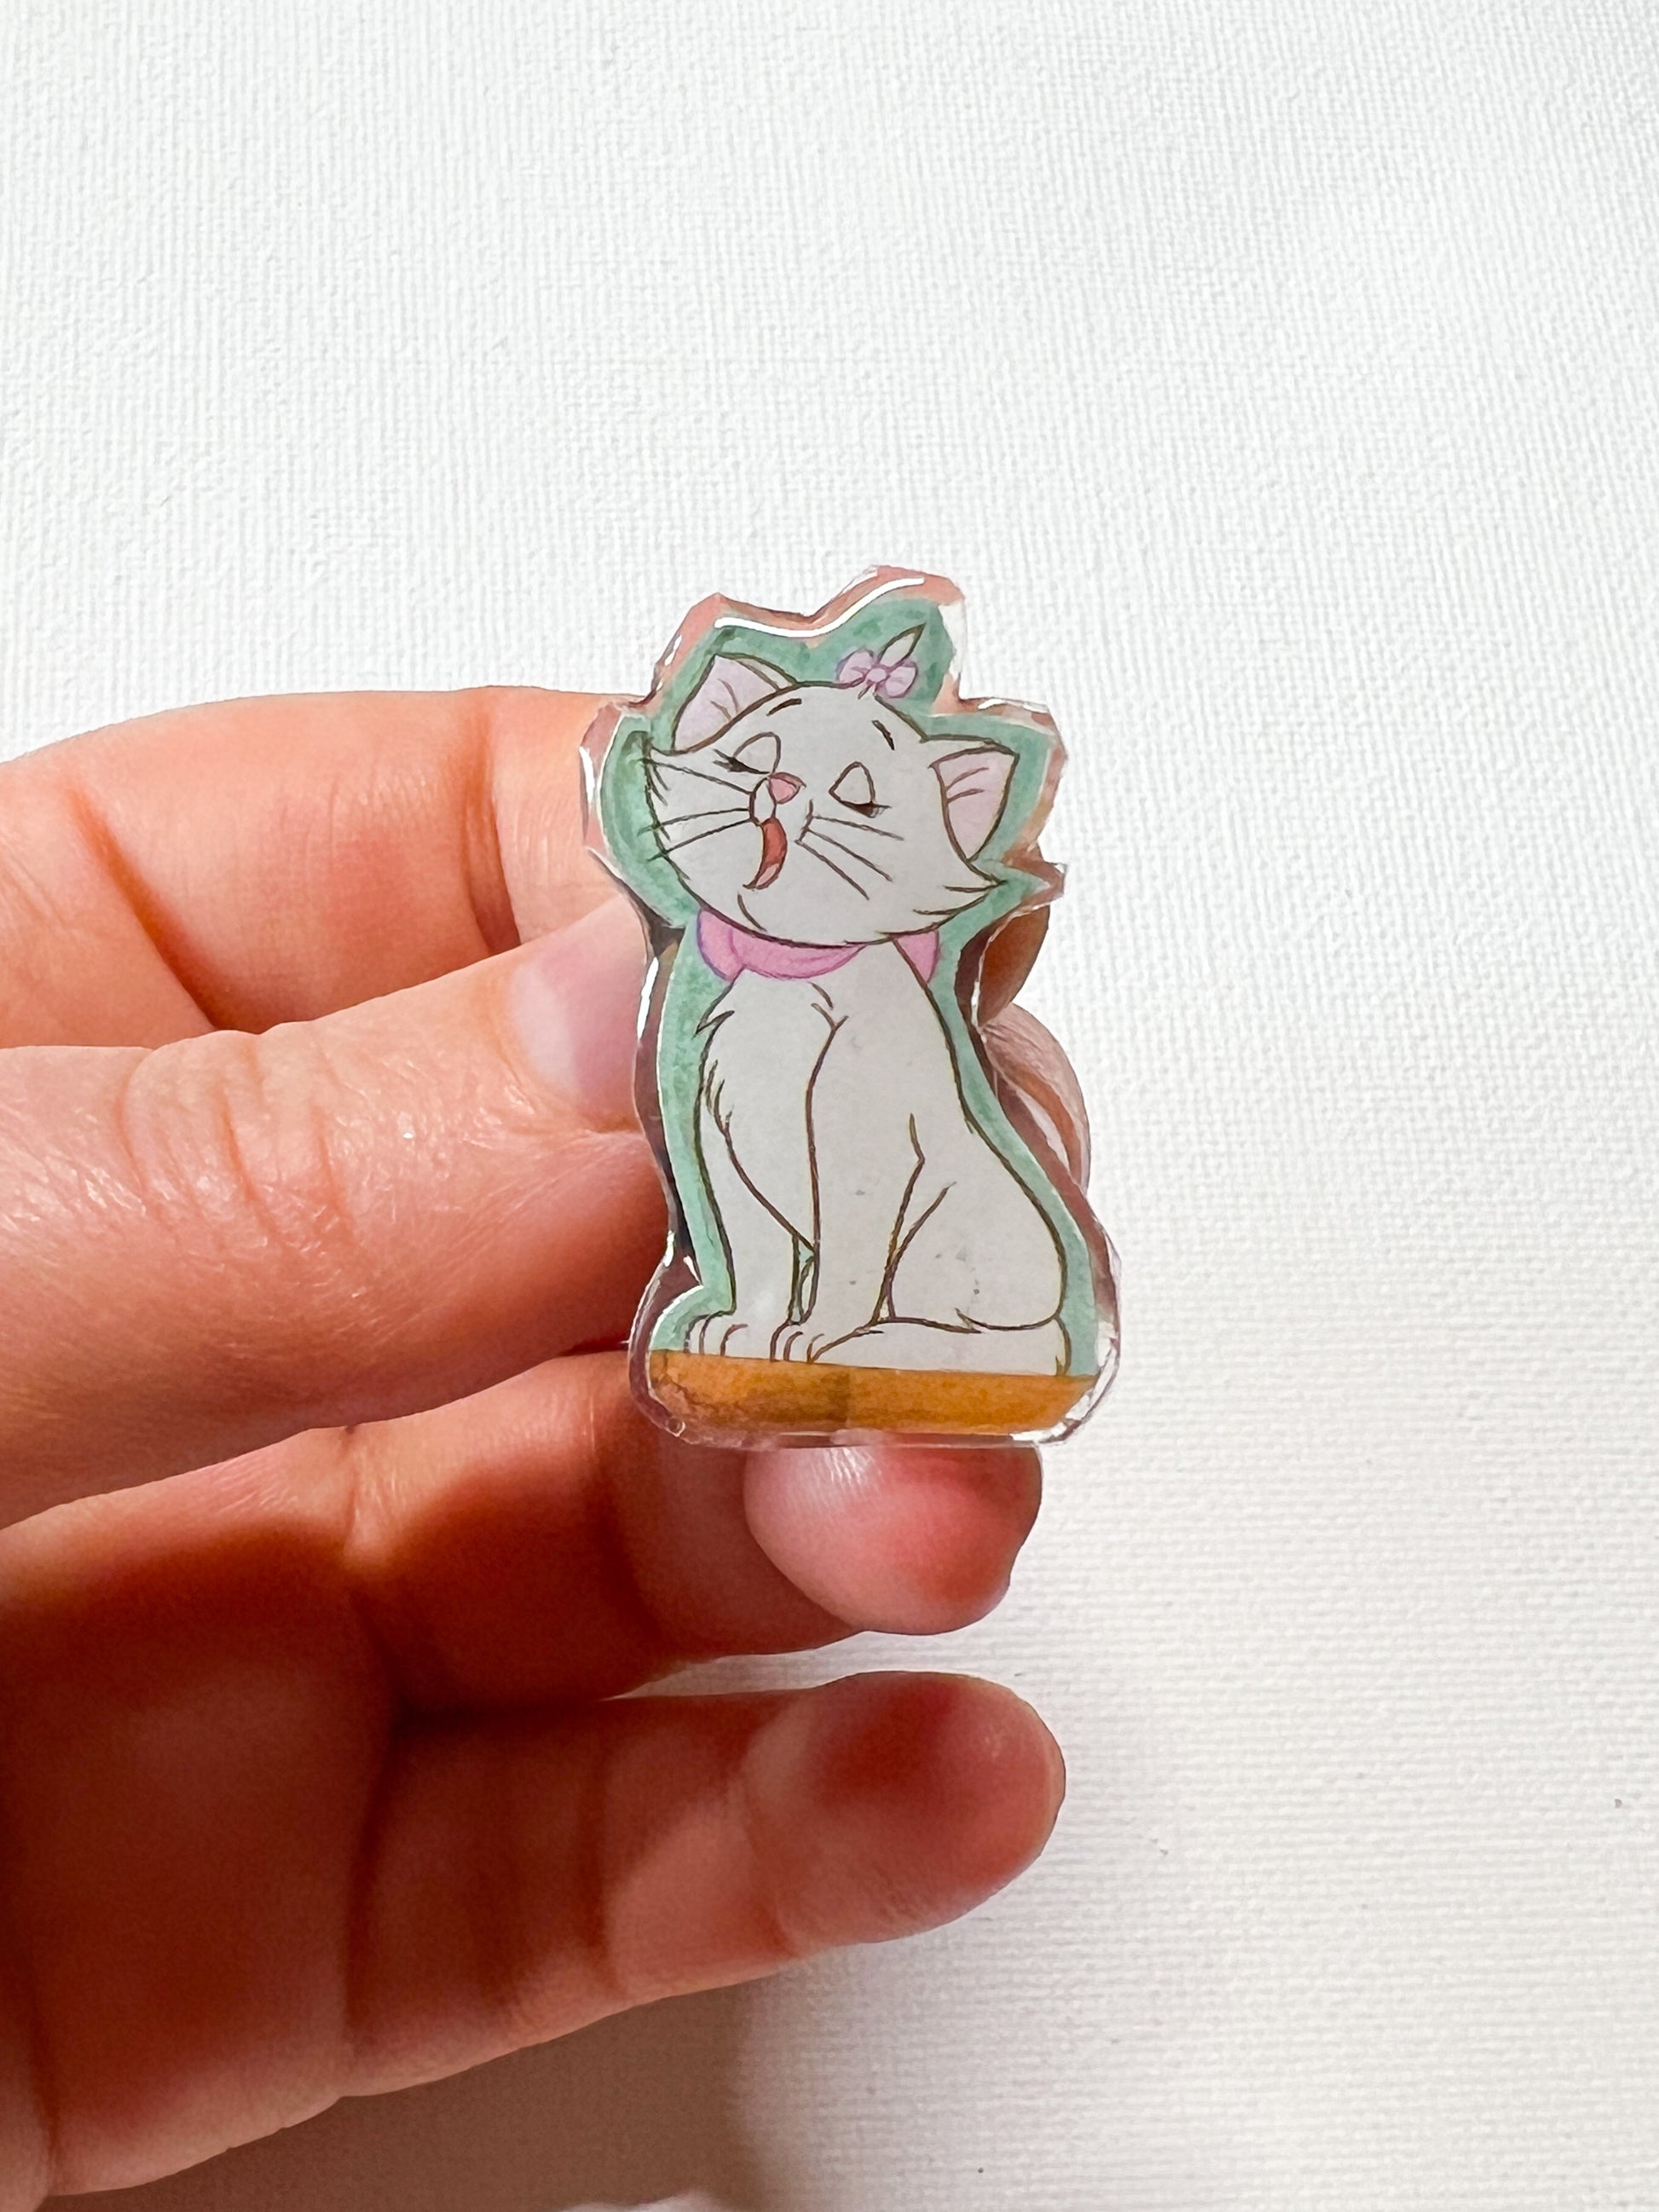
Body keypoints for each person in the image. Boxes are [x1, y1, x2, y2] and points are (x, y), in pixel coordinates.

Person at [0, 686, 1065, 2203]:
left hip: (954, 1293)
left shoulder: (868, 998)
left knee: (869, 1222)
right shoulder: (712, 982)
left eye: (844, 801)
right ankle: (791, 1321)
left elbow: (873, 1172)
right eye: (760, 770)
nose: (780, 810)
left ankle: (842, 1325)